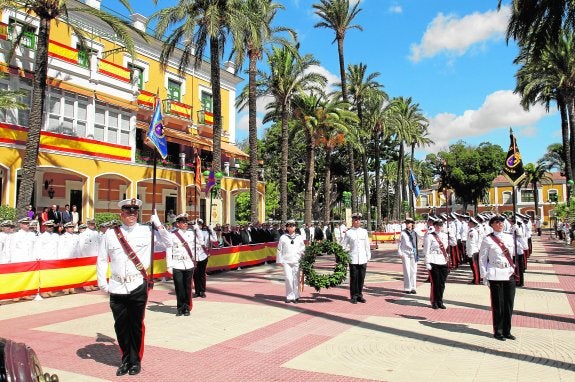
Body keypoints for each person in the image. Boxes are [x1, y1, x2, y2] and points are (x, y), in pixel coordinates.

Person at [97, 198, 171, 376]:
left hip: (137, 283)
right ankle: (125, 360)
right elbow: (101, 258)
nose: (131, 215)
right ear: (121, 214)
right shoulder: (111, 234)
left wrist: (158, 225)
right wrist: (102, 282)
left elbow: (168, 243)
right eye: (128, 212)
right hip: (116, 285)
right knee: (120, 325)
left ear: (138, 214)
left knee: (136, 325)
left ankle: (135, 360)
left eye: (134, 212)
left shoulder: (147, 231)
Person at [479, 214, 517, 341]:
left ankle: (507, 330)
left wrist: (520, 233)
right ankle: (498, 331)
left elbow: (517, 252)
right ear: (492, 225)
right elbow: (483, 259)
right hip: (495, 273)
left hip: (509, 272)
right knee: (498, 304)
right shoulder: (487, 239)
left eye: (501, 222)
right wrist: (484, 275)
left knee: (509, 304)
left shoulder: (510, 237)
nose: (500, 224)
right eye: (497, 223)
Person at [166, 213, 196, 316]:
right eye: (183, 222)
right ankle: (180, 307)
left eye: (186, 222)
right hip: (177, 264)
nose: (185, 224)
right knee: (179, 287)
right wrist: (169, 265)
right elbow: (169, 250)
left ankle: (186, 307)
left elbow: (195, 247)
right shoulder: (172, 234)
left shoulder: (191, 234)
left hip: (188, 263)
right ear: (177, 224)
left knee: (188, 287)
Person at [341, 213, 371, 304]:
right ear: (353, 221)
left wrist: (368, 255)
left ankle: (359, 295)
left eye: (359, 220)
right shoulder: (349, 233)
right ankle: (353, 295)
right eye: (356, 220)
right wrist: (341, 254)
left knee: (361, 277)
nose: (358, 222)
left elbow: (367, 245)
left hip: (362, 258)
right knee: (354, 278)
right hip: (353, 258)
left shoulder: (364, 232)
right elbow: (343, 245)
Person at [276, 219, 305, 303]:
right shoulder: (283, 237)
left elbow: (302, 248)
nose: (291, 227)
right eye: (289, 226)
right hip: (286, 261)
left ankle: (296, 296)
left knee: (296, 279)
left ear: (295, 227)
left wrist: (303, 257)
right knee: (288, 278)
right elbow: (279, 249)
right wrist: (279, 260)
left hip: (297, 260)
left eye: (293, 226)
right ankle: (289, 296)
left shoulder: (299, 237)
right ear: (287, 227)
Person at [423, 218, 449, 309]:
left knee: (442, 283)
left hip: (443, 260)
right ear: (434, 226)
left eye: (440, 225)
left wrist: (452, 234)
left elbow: (449, 246)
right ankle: (434, 301)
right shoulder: (430, 236)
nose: (439, 227)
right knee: (435, 283)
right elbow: (426, 250)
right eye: (437, 225)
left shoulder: (445, 235)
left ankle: (440, 301)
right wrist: (427, 262)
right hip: (433, 260)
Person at [398, 218, 418, 294]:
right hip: (405, 252)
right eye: (407, 223)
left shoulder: (415, 232)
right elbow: (399, 243)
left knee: (414, 270)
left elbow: (419, 240)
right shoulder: (403, 232)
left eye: (409, 223)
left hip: (413, 252)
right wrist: (399, 252)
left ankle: (413, 287)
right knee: (407, 270)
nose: (408, 224)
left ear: (412, 224)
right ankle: (407, 288)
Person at [193, 219, 211, 298]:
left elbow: (210, 241)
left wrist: (211, 230)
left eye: (200, 224)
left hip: (203, 255)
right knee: (195, 275)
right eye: (197, 224)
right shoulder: (191, 233)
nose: (198, 225)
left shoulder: (205, 233)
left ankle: (202, 291)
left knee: (202, 274)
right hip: (195, 256)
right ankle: (197, 291)